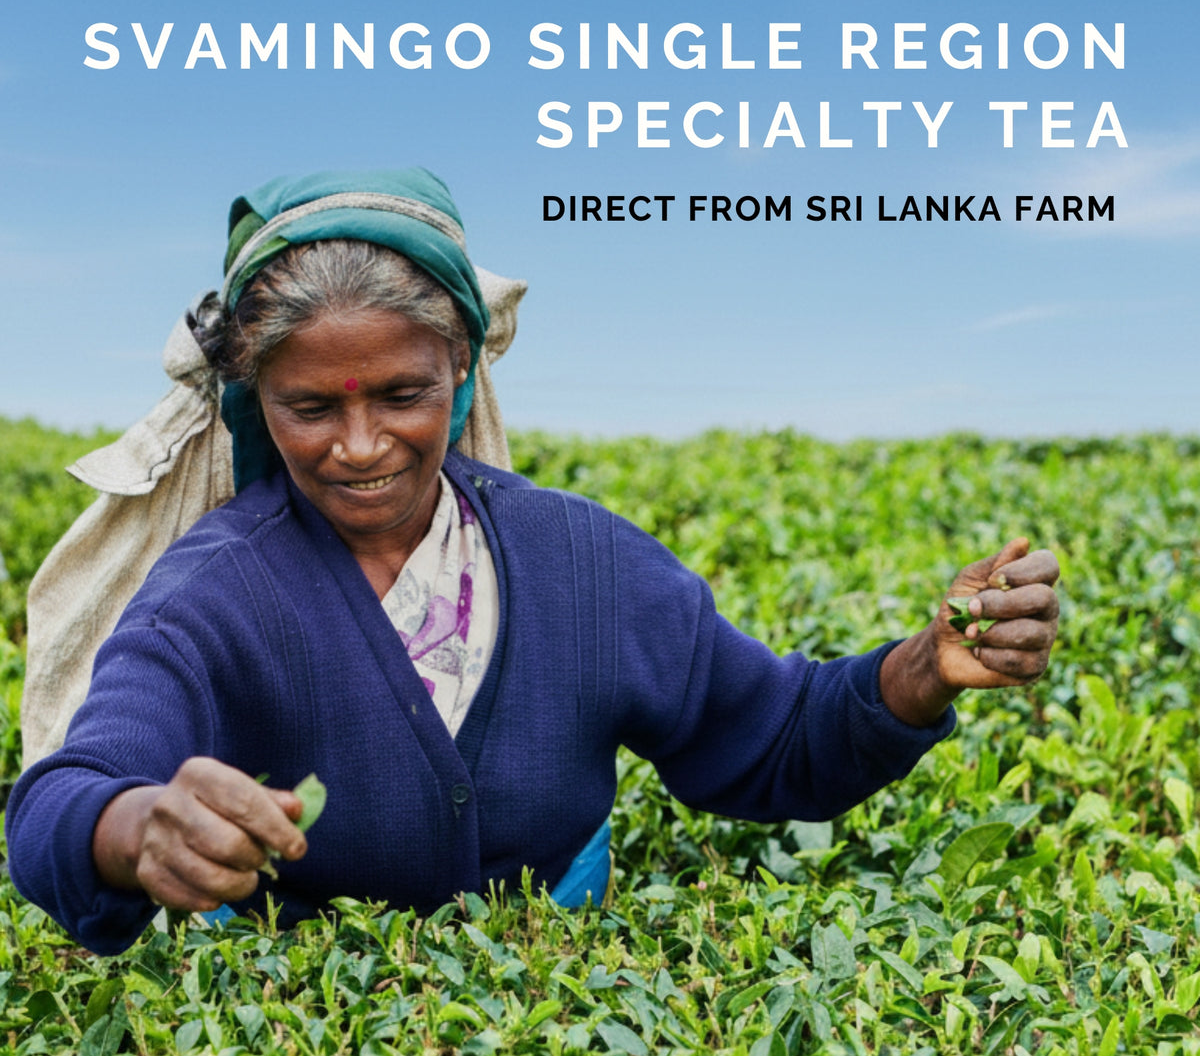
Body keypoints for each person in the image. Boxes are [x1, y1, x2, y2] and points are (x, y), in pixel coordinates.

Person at [7, 169, 1060, 955]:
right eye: (311, 406)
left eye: (402, 394)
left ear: (459, 369)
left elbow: (772, 737)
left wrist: (921, 671)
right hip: (311, 1018)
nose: (362, 444)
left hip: (557, 1002)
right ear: (256, 401)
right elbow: (63, 797)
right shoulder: (215, 593)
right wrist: (135, 825)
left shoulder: (579, 561)